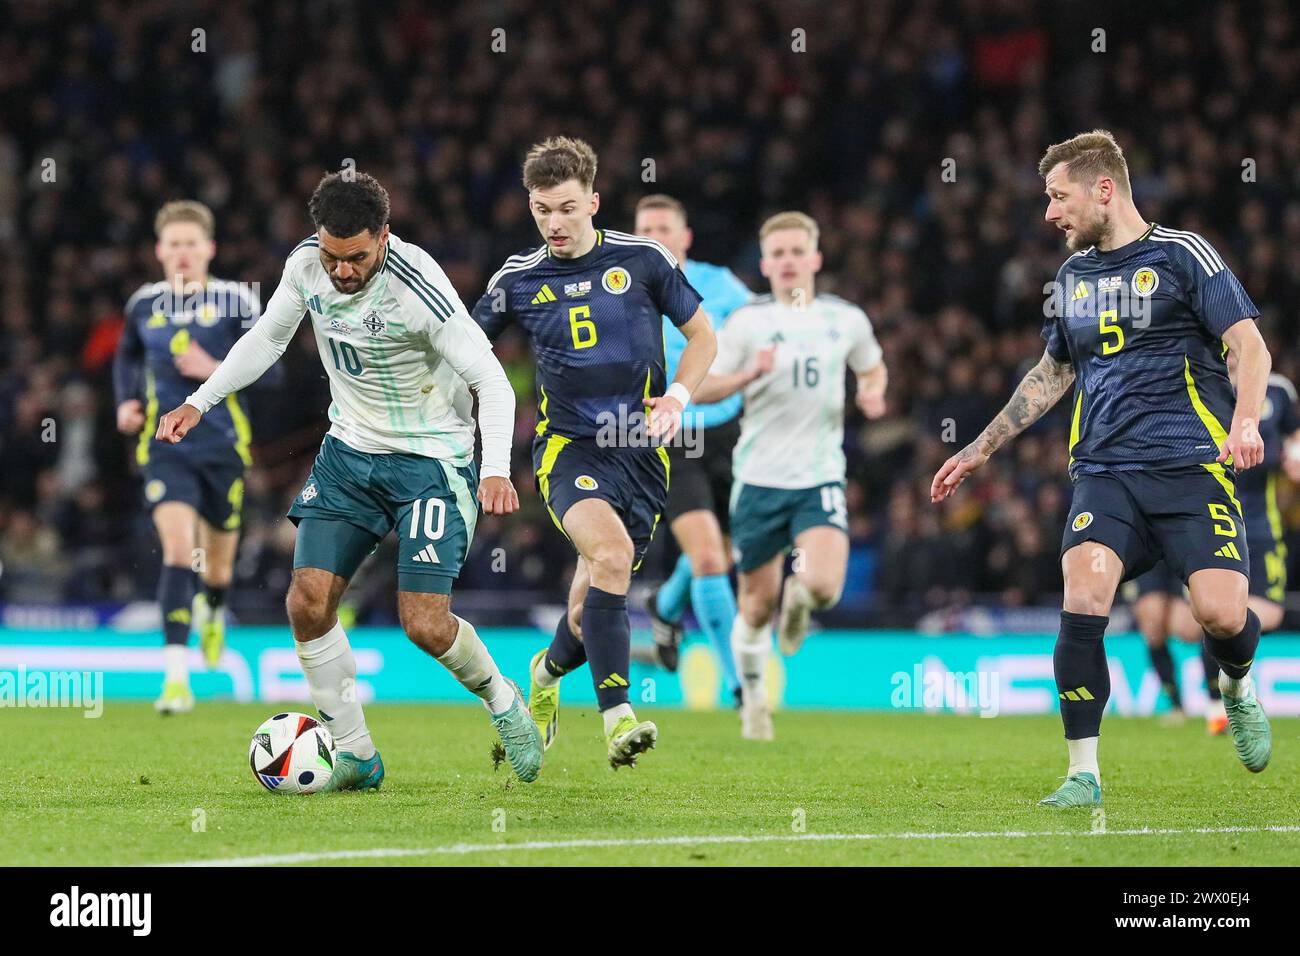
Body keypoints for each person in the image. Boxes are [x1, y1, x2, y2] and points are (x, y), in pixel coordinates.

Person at [154, 171, 543, 789]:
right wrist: (200, 401)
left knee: (424, 623)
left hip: (430, 461)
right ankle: (356, 752)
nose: (341, 271)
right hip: (349, 454)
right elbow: (267, 339)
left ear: (384, 236)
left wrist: (495, 468)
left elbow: (492, 381)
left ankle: (502, 698)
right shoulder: (306, 265)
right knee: (306, 602)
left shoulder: (419, 285)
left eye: (356, 257)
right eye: (331, 255)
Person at [932, 130, 1273, 808]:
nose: (1050, 213)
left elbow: (1249, 346)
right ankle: (1082, 774)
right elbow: (1052, 372)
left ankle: (1235, 684)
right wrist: (980, 448)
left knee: (1220, 614)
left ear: (1104, 190)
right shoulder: (1071, 278)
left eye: (1059, 197)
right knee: (1084, 597)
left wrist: (1245, 422)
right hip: (1105, 471)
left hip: (1190, 468)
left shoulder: (1182, 254)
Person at [472, 137, 717, 768]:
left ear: (593, 203)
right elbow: (464, 352)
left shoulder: (643, 260)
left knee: (587, 613)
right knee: (611, 556)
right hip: (569, 451)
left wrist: (677, 399)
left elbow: (702, 336)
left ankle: (544, 675)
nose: (554, 223)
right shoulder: (517, 279)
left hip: (642, 454)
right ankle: (618, 721)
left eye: (566, 208)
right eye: (541, 210)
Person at [694, 211, 887, 740]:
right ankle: (754, 699)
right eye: (777, 254)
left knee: (823, 586)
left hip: (819, 477)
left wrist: (872, 391)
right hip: (758, 480)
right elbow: (702, 389)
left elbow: (872, 365)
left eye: (796, 252)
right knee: (756, 607)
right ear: (764, 264)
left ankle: (800, 597)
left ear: (815, 258)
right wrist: (747, 373)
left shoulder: (844, 319)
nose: (787, 262)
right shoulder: (747, 323)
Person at [114, 201, 267, 713]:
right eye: (174, 244)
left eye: (191, 244)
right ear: (160, 250)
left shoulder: (236, 301)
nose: (182, 253)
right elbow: (126, 356)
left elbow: (274, 372)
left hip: (223, 448)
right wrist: (125, 402)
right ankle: (176, 680)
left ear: (209, 249)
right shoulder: (143, 304)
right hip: (165, 448)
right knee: (180, 551)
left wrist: (215, 367)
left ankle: (215, 609)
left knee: (217, 568)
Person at [633, 194, 755, 707]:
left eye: (664, 228)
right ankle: (741, 686)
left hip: (731, 432)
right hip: (671, 434)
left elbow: (760, 334)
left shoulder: (722, 286)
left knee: (726, 552)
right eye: (645, 229)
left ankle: (666, 606)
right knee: (708, 558)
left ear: (685, 237)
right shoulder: (620, 289)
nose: (654, 237)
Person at [1130, 369, 1300, 733]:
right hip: (1205, 520)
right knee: (1180, 623)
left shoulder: (1276, 389)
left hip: (1258, 526)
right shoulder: (1191, 378)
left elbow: (1294, 434)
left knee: (1262, 614)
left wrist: (1295, 454)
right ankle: (1211, 702)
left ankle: (1229, 675)